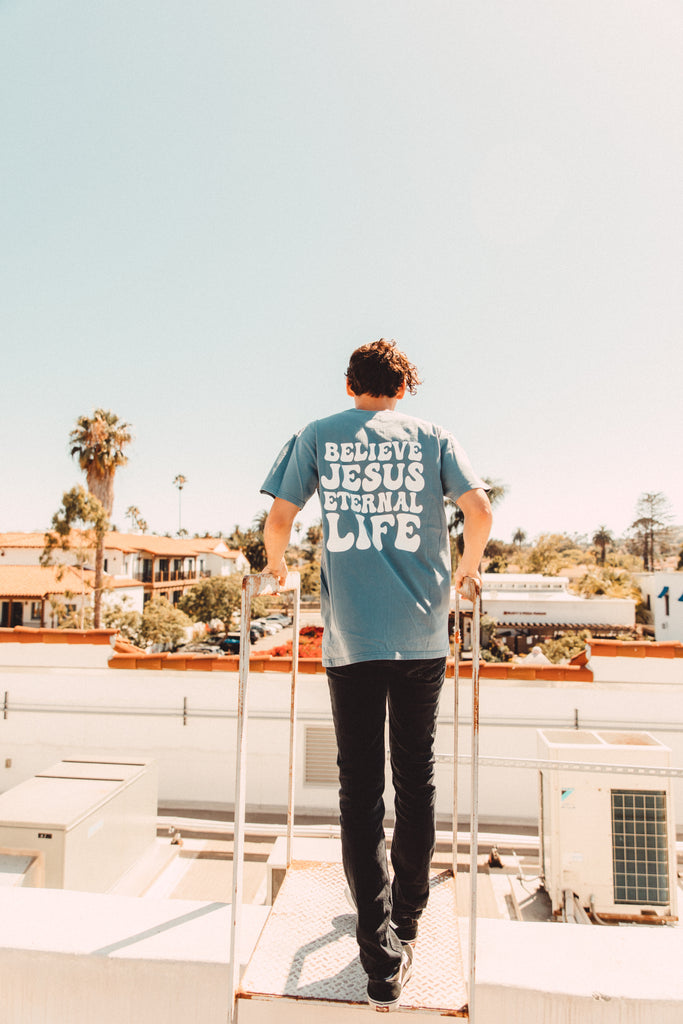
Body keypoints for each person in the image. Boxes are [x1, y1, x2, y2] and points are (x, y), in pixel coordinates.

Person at [260, 339, 492, 1010]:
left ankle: (378, 959)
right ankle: (409, 917)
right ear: (403, 386)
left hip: (353, 639)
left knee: (360, 792)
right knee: (413, 776)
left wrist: (276, 568)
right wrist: (465, 570)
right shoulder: (432, 435)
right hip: (422, 634)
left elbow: (279, 519)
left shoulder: (317, 435)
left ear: (348, 384)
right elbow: (478, 511)